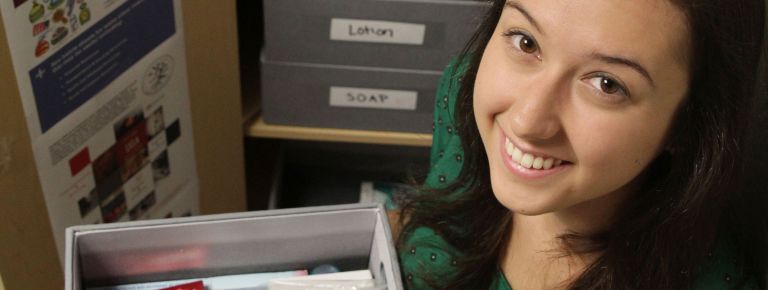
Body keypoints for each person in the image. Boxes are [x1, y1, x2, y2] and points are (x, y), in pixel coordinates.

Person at [395, 0, 768, 289]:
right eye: (526, 42)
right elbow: (436, 209)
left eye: (607, 84)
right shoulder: (462, 94)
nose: (526, 121)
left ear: (687, 127)